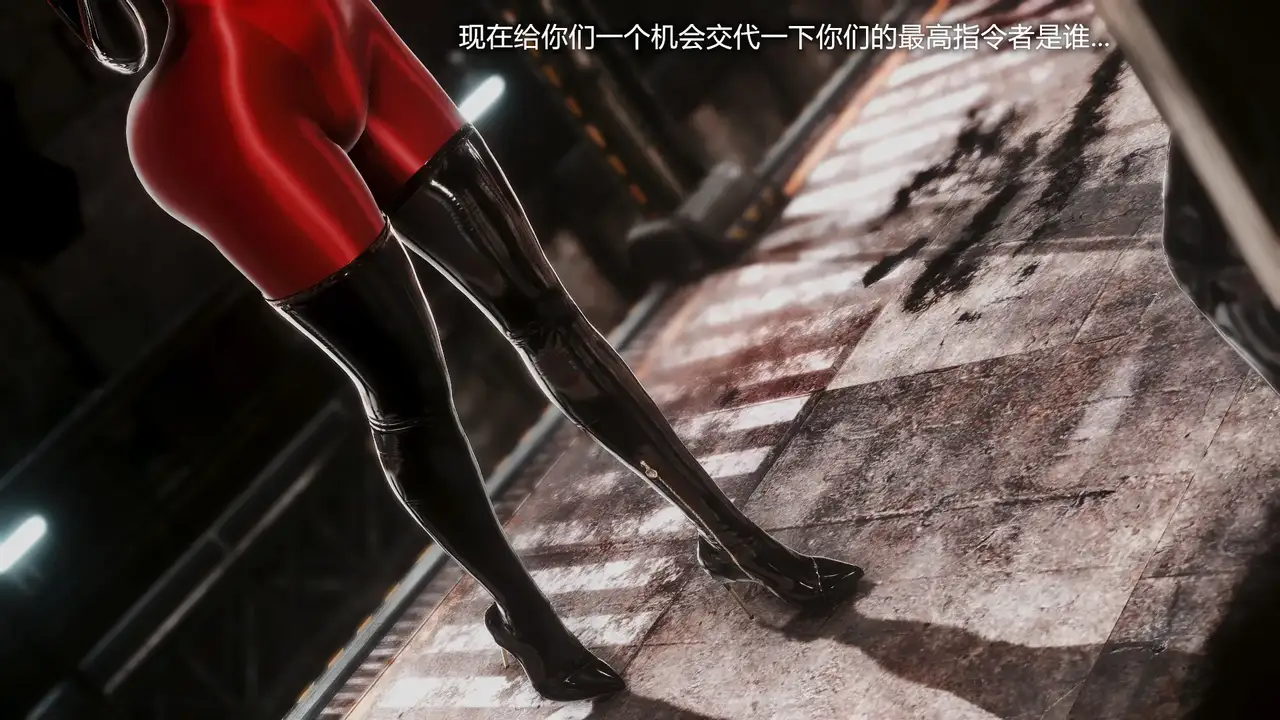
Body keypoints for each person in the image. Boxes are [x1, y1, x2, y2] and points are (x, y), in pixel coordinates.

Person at [47, 0, 864, 701]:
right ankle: (528, 620)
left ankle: (737, 539)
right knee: (409, 389)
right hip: (226, 106)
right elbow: (120, 45)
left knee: (544, 310)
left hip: (346, 31)